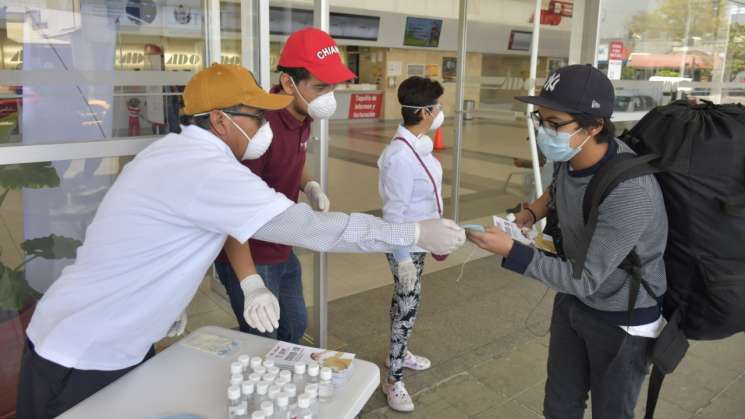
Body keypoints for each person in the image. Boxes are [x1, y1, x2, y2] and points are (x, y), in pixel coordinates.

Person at [16, 63, 465, 419]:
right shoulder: (204, 169)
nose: (266, 124)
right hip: (81, 355)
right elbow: (312, 230)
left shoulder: (174, 153)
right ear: (219, 119)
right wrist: (411, 232)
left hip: (104, 338)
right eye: (256, 115)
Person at [467, 64, 668, 419]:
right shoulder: (572, 155)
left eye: (555, 123)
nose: (544, 131)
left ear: (594, 126)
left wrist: (511, 251)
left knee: (612, 411)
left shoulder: (630, 191)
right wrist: (530, 213)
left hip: (623, 316)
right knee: (559, 404)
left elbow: (586, 278)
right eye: (540, 119)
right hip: (574, 304)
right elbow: (559, 188)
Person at [213, 28, 355, 344]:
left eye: (332, 87)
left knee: (293, 326)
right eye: (320, 87)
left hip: (281, 243)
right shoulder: (259, 128)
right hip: (250, 251)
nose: (328, 97)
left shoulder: (302, 114)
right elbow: (231, 212)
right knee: (264, 339)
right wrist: (251, 283)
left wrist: (310, 185)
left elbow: (291, 158)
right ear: (289, 83)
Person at [377, 76, 445, 412]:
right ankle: (393, 380)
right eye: (437, 107)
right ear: (424, 111)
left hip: (419, 241)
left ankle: (398, 354)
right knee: (407, 307)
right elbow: (393, 214)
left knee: (406, 303)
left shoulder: (416, 146)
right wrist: (402, 259)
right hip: (405, 244)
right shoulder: (400, 157)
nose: (440, 112)